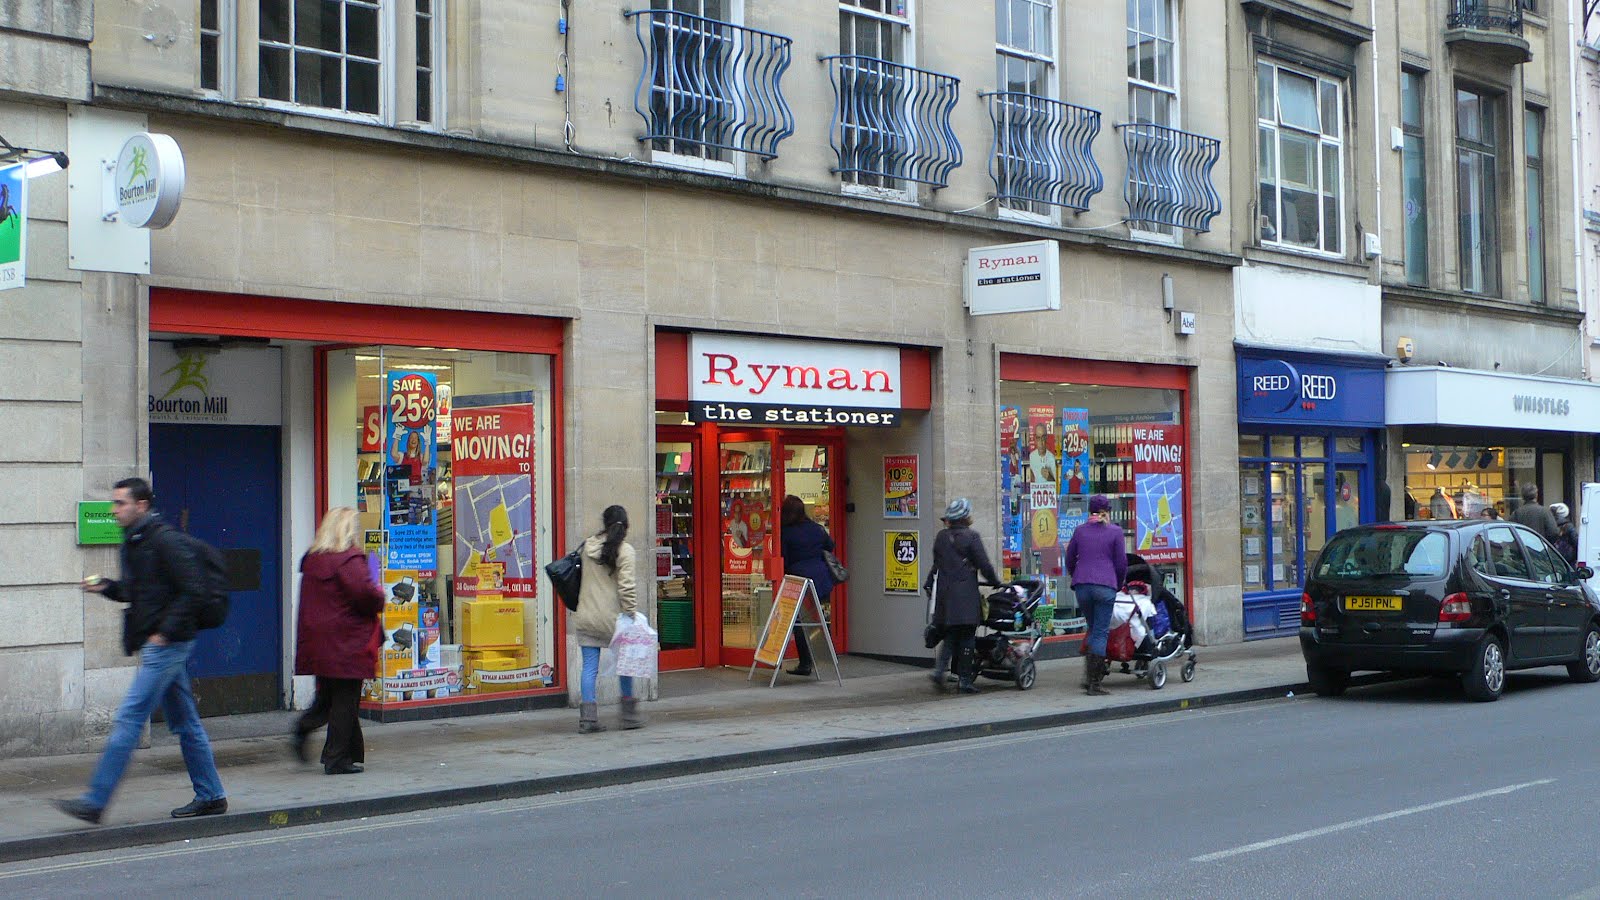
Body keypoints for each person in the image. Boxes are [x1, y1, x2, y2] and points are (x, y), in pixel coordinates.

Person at [53, 478, 227, 825]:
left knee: (129, 718)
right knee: (186, 723)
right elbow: (139, 592)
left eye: (120, 503)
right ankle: (211, 795)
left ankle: (95, 801)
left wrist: (164, 633)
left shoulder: (164, 541)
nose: (114, 510)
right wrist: (108, 587)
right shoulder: (135, 542)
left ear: (142, 505)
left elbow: (193, 591)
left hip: (167, 645)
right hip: (159, 642)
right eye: (114, 503)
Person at [291, 507, 385, 775]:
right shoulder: (349, 560)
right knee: (345, 700)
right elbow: (367, 596)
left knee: (328, 697)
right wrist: (379, 594)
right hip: (347, 641)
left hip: (319, 641)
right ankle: (336, 758)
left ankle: (305, 729)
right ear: (347, 530)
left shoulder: (313, 560)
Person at [570, 505, 642, 733]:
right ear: (626, 525)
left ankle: (588, 719)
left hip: (587, 616)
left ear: (604, 523)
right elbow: (627, 588)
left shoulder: (587, 547)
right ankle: (628, 716)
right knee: (626, 664)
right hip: (614, 620)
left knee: (589, 668)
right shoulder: (625, 551)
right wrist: (631, 614)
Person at [922, 498, 1000, 694]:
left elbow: (937, 564)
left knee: (950, 634)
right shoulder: (971, 537)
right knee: (966, 636)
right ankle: (964, 680)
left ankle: (940, 671)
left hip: (945, 594)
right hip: (965, 594)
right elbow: (984, 564)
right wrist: (995, 582)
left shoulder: (941, 537)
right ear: (966, 517)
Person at [1064, 494, 1127, 696]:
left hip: (1082, 587)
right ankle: (1094, 683)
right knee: (1100, 632)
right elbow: (1121, 563)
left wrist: (1077, 576)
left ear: (1089, 510)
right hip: (1105, 586)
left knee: (1093, 628)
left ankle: (1088, 676)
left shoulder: (1080, 531)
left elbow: (1069, 558)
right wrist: (1118, 583)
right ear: (1107, 511)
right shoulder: (1115, 532)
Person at [779, 494, 834, 677]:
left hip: (799, 581)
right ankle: (825, 655)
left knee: (799, 621)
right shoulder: (817, 529)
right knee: (815, 617)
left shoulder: (786, 532)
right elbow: (830, 545)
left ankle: (805, 662)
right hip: (821, 580)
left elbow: (783, 557)